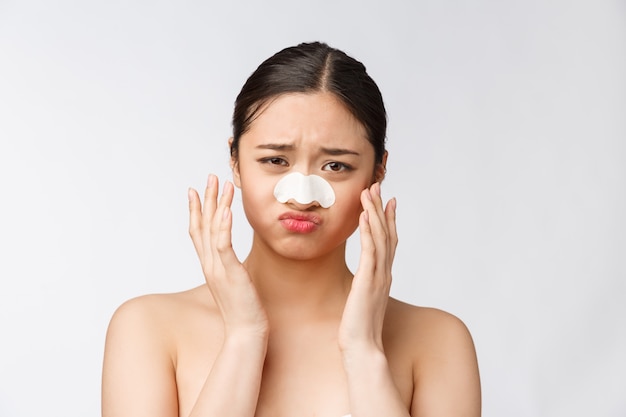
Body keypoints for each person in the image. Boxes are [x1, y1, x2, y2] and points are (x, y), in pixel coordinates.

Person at [101, 41, 481, 417]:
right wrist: (243, 339)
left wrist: (364, 352)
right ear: (235, 160)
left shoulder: (438, 341)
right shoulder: (148, 329)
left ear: (378, 171)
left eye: (335, 166)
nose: (302, 197)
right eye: (276, 160)